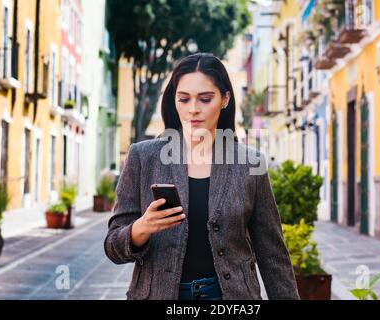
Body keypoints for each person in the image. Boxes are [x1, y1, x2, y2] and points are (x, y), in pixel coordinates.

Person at [104, 53, 300, 300]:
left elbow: (272, 254)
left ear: (225, 98)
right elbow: (113, 246)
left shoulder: (250, 164)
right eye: (183, 99)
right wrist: (141, 228)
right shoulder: (143, 157)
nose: (193, 109)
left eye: (205, 99)